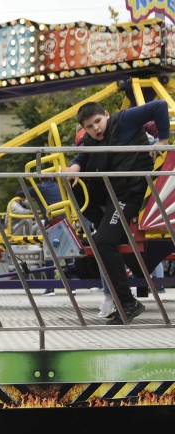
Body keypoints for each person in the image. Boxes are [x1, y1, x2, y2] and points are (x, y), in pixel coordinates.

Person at [63, 100, 169, 324]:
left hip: (130, 193)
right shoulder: (93, 139)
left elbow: (159, 106)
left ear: (107, 115)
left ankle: (128, 303)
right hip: (113, 192)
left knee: (102, 243)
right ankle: (110, 230)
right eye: (89, 127)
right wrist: (74, 166)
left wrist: (163, 140)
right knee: (74, 188)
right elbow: (85, 153)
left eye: (98, 122)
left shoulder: (123, 121)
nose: (96, 129)